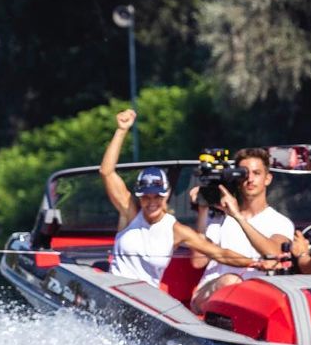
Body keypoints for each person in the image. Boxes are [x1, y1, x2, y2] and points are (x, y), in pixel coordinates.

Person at [101, 109, 270, 295]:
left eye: (157, 196)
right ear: (139, 197)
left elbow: (218, 253)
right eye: (146, 196)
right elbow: (106, 172)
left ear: (165, 196)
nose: (151, 202)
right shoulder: (129, 213)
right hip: (115, 293)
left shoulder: (175, 229)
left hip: (145, 302)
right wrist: (121, 130)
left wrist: (254, 262)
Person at [189, 146, 293, 312]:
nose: (250, 179)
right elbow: (198, 261)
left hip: (254, 300)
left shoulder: (280, 222)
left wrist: (238, 217)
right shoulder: (218, 218)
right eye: (244, 173)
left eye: (256, 173)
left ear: (268, 179)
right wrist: (202, 209)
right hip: (210, 296)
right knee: (231, 281)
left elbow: (273, 255)